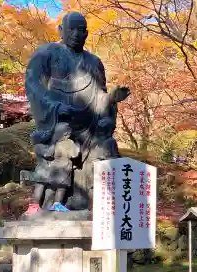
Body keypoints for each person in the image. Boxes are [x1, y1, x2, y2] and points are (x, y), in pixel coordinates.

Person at [25, 11, 130, 210]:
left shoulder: (94, 62)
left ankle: (100, 207)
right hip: (60, 123)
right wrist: (53, 106)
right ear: (61, 30)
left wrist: (111, 99)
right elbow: (33, 84)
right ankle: (44, 205)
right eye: (71, 29)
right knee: (55, 164)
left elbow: (99, 98)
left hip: (89, 127)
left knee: (107, 147)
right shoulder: (47, 53)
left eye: (80, 30)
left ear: (87, 34)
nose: (75, 34)